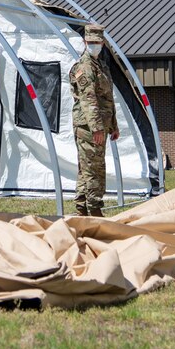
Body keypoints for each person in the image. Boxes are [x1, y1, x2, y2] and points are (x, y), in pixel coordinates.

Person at [69, 24, 119, 217]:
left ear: (102, 43)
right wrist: (97, 127)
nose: (94, 45)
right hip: (89, 127)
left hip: (100, 126)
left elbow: (107, 98)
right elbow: (88, 99)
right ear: (84, 42)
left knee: (87, 167)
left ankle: (82, 209)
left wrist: (113, 126)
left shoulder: (101, 65)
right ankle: (94, 208)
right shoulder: (85, 67)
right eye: (90, 42)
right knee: (94, 168)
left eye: (97, 42)